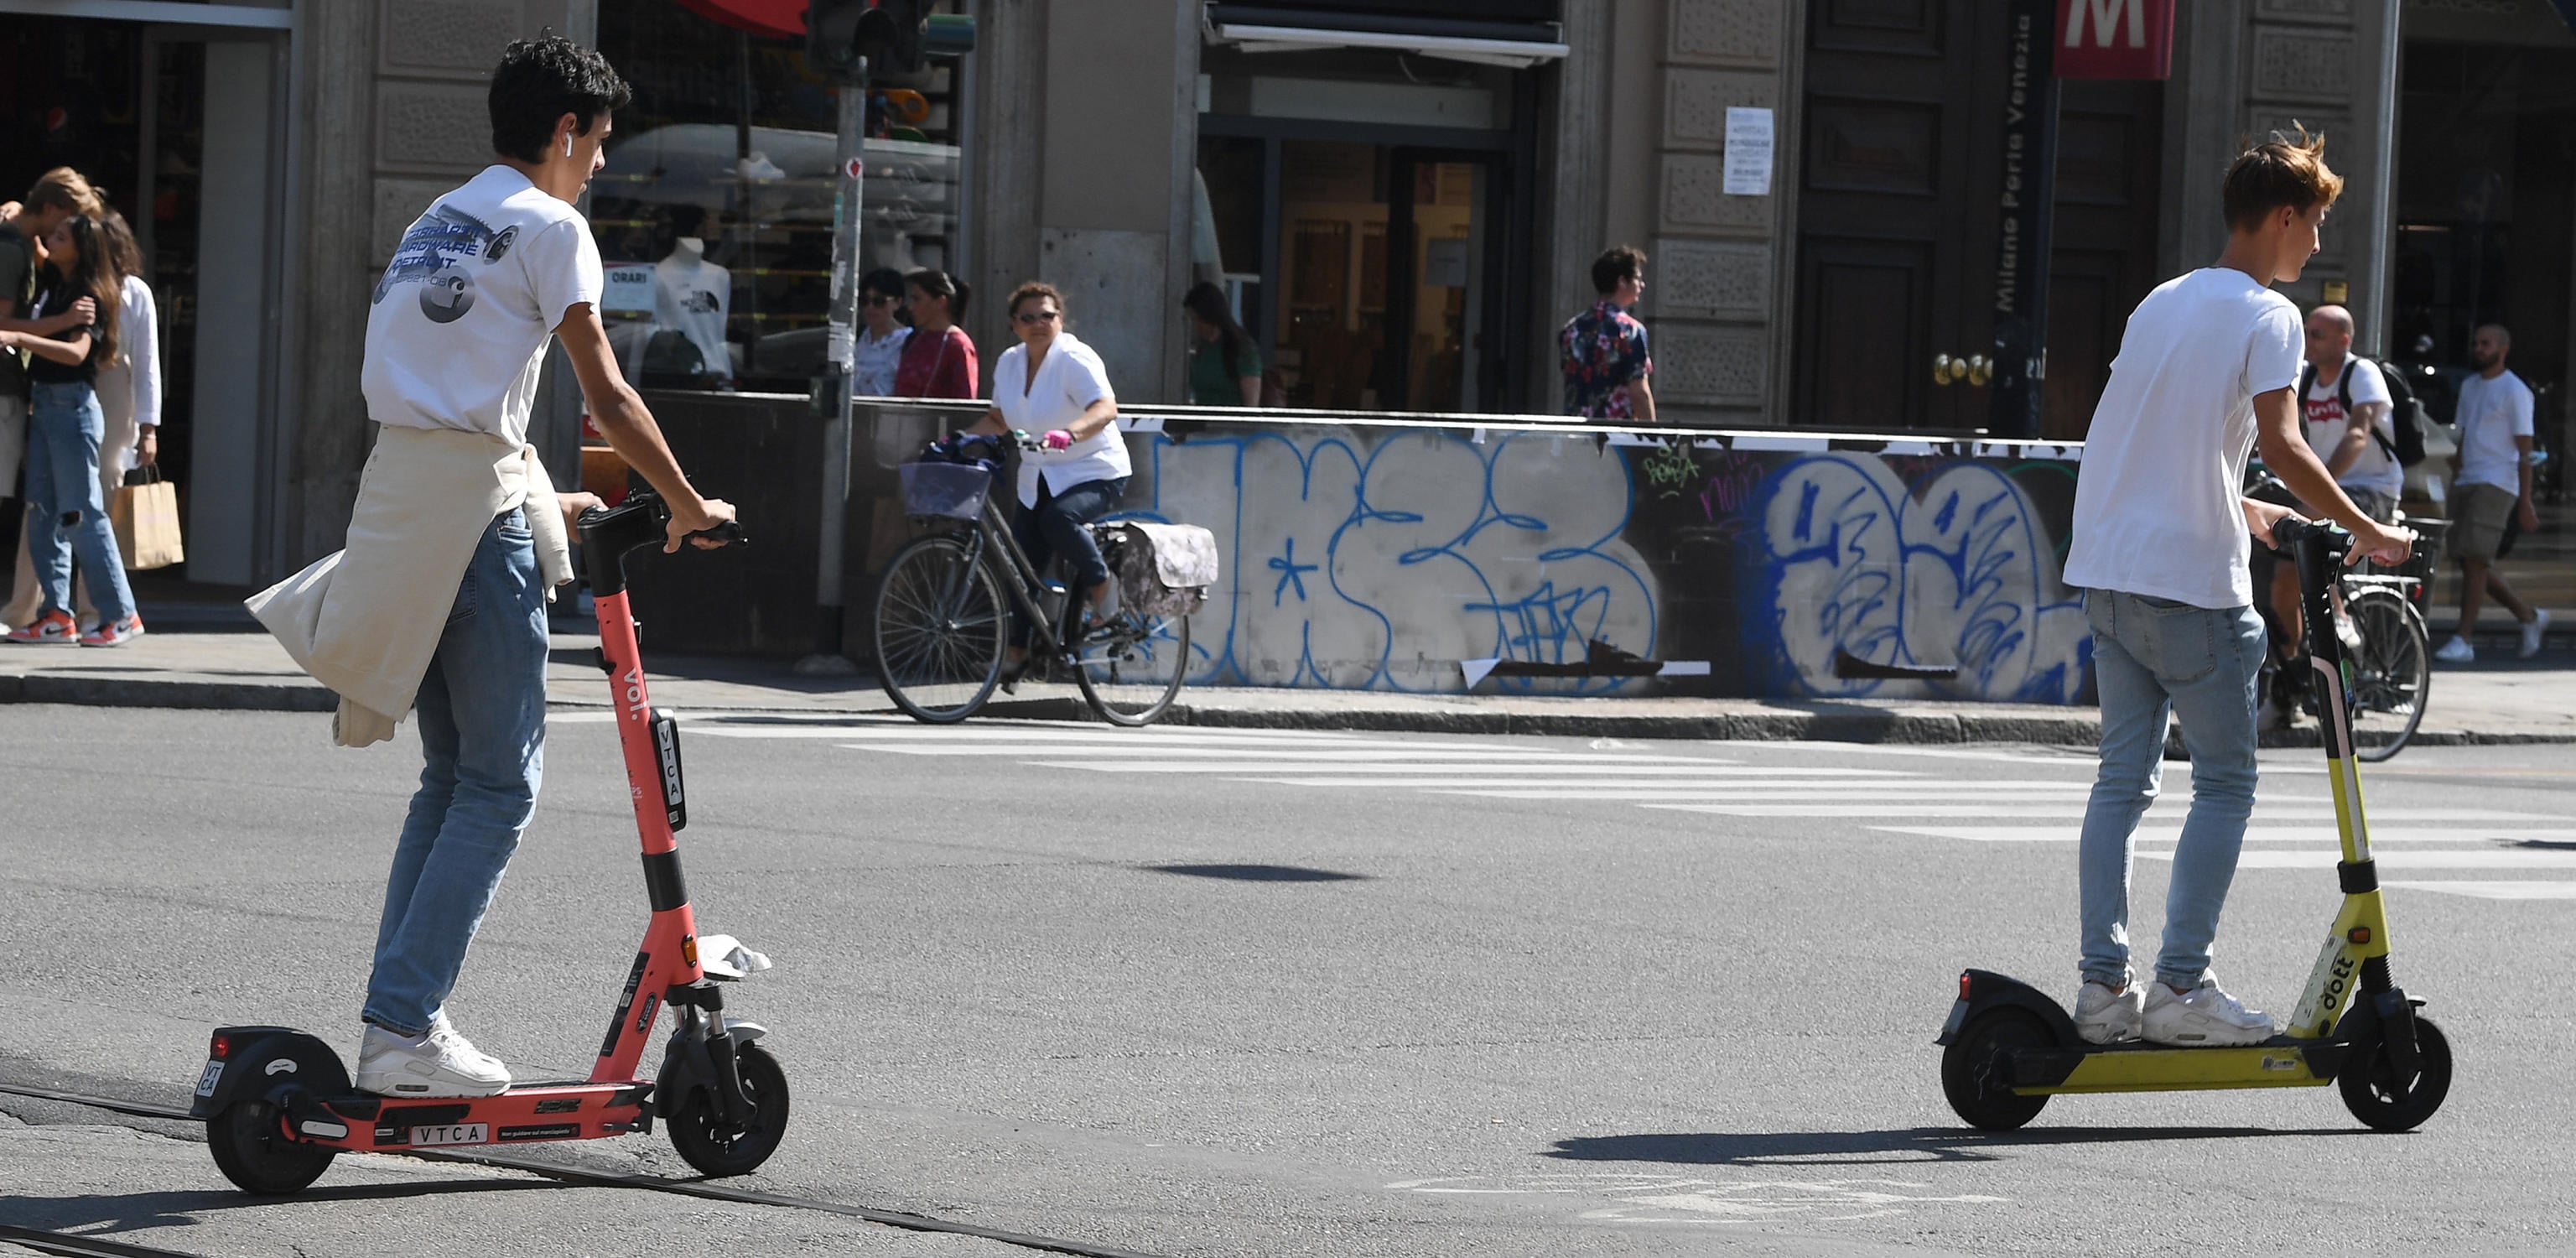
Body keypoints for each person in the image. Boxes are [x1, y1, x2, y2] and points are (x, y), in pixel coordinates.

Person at [249, 35, 735, 1097]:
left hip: (404, 510)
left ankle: (397, 1019)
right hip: (474, 525)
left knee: (450, 778)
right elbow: (607, 393)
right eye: (599, 144)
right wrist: (690, 505)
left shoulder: (439, 219)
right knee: (502, 784)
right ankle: (404, 1026)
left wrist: (530, 481)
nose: (600, 165)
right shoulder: (553, 227)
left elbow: (436, 387)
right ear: (567, 132)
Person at [2059, 127, 2410, 1048]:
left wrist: (2245, 508)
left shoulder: (2160, 301)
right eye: (2319, 224)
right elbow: (2289, 444)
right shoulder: (2270, 316)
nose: (2319, 246)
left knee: (2120, 785)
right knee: (2224, 783)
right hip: (2190, 589)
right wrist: (2370, 532)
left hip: (2108, 572)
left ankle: (2104, 991)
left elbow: (2156, 446)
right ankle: (2182, 987)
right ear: (2285, 217)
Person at [963, 283, 1125, 680]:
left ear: (1060, 320)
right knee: (1020, 567)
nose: (1039, 324)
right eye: (1028, 317)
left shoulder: (1074, 358)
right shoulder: (1009, 363)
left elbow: (1106, 408)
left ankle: (1105, 588)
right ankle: (1017, 654)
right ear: (1014, 325)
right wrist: (958, 442)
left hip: (1094, 470)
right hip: (1038, 478)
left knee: (1059, 520)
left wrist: (1071, 432)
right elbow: (998, 420)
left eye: (1047, 316)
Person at [0, 211, 141, 647]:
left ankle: (120, 614)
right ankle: (56, 615)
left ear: (80, 249)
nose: (48, 240)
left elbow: (78, 352)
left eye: (60, 237)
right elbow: (36, 244)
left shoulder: (88, 293)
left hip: (71, 409)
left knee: (83, 512)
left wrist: (21, 339)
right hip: (45, 406)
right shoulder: (55, 282)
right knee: (41, 510)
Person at [2257, 304, 2398, 724]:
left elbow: (2358, 433)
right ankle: (2292, 680)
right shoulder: (2306, 378)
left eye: (2318, 333)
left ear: (2344, 340)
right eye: (2306, 331)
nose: (2309, 339)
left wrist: (2321, 489)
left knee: (2311, 530)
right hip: (2321, 489)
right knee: (2283, 573)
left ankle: (2338, 615)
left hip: (2370, 490)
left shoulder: (2362, 375)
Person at [0, 169, 107, 629]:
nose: (72, 232)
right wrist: (61, 321)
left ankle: (87, 612)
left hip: (50, 398)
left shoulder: (29, 250)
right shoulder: (15, 248)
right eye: (68, 222)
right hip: (33, 395)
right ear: (50, 211)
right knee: (56, 507)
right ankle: (80, 612)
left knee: (66, 508)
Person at [2434, 324, 2547, 663]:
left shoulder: (2515, 391)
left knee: (2475, 560)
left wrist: (2525, 500)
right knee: (2472, 563)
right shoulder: (2469, 386)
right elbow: (2464, 437)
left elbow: (2525, 450)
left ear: (2503, 349)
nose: (2479, 348)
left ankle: (2464, 639)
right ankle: (2528, 615)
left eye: (2486, 344)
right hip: (2467, 480)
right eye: (2477, 343)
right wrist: (2454, 479)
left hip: (2498, 483)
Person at [1559, 245, 1656, 423]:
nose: (1642, 285)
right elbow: (1639, 392)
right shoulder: (1631, 331)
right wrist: (1653, 441)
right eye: (1637, 278)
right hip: (1614, 438)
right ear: (1622, 282)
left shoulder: (1571, 329)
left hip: (1575, 435)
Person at [894, 268, 977, 398]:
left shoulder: (958, 345)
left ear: (940, 302)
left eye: (917, 299)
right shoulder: (914, 340)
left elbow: (964, 405)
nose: (910, 307)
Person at [1182, 281, 1260, 406]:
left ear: (1209, 316)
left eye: (1196, 319)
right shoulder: (1203, 348)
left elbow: (1251, 405)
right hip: (1202, 421)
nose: (1195, 326)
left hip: (1229, 423)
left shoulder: (1243, 349)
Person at [851, 266, 911, 397]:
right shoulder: (856, 337)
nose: (870, 307)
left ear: (897, 302)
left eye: (879, 301)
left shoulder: (909, 342)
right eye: (865, 301)